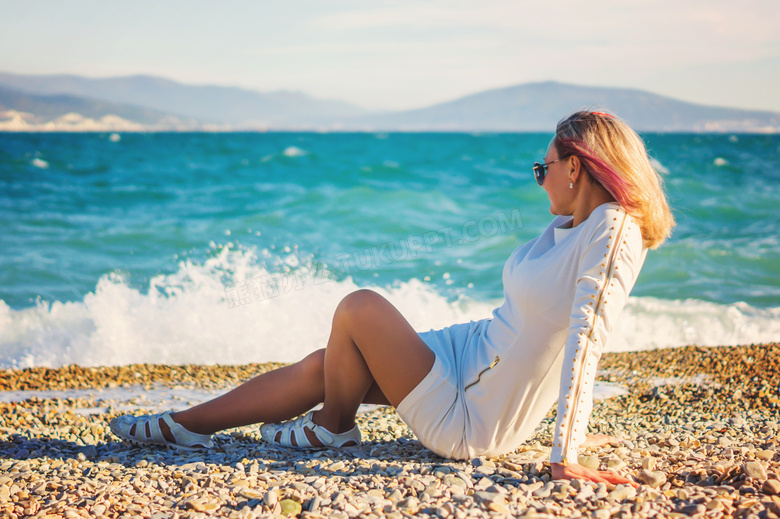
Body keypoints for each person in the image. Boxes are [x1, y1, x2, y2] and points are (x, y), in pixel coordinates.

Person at [110, 111, 674, 485]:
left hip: (469, 414)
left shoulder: (612, 231)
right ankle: (183, 424)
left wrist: (564, 457)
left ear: (574, 167)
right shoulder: (575, 227)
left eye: (542, 168)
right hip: (469, 358)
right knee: (331, 362)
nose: (539, 178)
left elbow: (586, 339)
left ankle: (332, 427)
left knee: (360, 306)